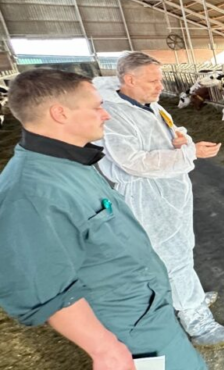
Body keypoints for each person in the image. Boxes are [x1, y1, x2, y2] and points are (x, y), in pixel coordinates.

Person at [0, 69, 206, 370]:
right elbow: (35, 285)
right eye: (96, 107)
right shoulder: (30, 192)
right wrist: (104, 348)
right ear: (60, 113)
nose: (105, 115)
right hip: (127, 331)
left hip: (145, 312)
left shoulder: (68, 163)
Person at [93, 52, 224, 349]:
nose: (161, 85)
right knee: (171, 254)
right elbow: (131, 161)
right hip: (146, 194)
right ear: (129, 80)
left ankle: (188, 293)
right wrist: (189, 153)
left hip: (168, 188)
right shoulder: (113, 114)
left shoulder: (147, 102)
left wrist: (179, 140)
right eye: (153, 80)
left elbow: (165, 131)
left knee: (181, 247)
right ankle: (196, 320)